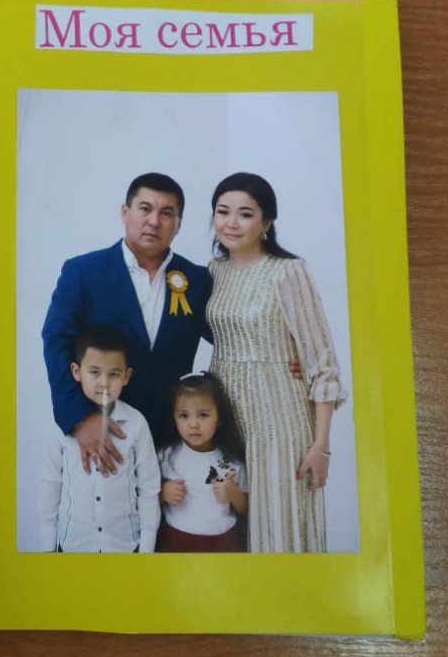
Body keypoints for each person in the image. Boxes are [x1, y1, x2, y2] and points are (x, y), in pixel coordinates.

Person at [206, 172, 347, 553]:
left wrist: (321, 447)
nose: (231, 222)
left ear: (266, 222)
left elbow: (322, 363)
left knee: (278, 530)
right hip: (225, 418)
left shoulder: (289, 272)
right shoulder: (213, 271)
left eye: (246, 214)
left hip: (278, 419)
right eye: (223, 211)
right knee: (230, 527)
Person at [41, 173, 211, 476]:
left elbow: (231, 337)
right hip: (103, 431)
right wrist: (80, 418)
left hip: (174, 441)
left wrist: (287, 360)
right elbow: (57, 343)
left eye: (166, 213)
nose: (154, 221)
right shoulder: (83, 272)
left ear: (178, 224)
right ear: (125, 212)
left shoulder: (196, 280)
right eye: (145, 208)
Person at [39, 325, 160, 553]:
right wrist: (47, 550)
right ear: (76, 371)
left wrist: (146, 552)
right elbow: (50, 484)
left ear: (126, 376)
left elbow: (149, 489)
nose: (104, 382)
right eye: (94, 372)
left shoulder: (136, 424)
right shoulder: (58, 425)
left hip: (125, 547)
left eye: (113, 374)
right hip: (73, 546)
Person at [156, 372, 248, 552]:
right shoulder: (166, 457)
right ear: (174, 418)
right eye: (184, 416)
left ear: (219, 418)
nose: (194, 424)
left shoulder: (231, 461)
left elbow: (245, 508)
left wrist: (233, 493)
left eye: (203, 415)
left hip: (222, 543)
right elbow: (144, 498)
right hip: (177, 540)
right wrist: (163, 493)